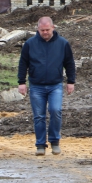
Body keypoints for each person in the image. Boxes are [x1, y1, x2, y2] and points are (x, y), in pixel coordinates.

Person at [17, 17, 76, 156]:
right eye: (42, 30)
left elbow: (69, 63)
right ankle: (40, 145)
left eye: (47, 30)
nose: (45, 32)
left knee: (55, 111)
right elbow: (23, 63)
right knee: (39, 116)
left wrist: (71, 81)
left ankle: (55, 142)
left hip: (55, 84)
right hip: (36, 85)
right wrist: (21, 82)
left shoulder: (63, 43)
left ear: (53, 28)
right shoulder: (30, 44)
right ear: (38, 29)